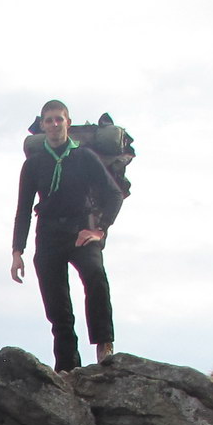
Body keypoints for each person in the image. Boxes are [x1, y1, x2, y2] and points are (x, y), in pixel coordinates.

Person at [9, 100, 126, 372]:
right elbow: (23, 210)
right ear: (42, 125)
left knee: (95, 277)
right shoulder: (34, 164)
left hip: (81, 230)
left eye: (59, 119)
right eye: (48, 120)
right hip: (48, 233)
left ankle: (104, 345)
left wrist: (99, 229)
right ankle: (67, 368)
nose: (54, 125)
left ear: (68, 123)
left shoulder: (85, 157)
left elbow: (114, 194)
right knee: (57, 305)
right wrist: (17, 252)